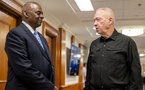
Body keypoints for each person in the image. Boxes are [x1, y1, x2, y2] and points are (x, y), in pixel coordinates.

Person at [84, 7, 142, 90]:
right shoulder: (94, 44)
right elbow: (89, 70)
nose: (95, 23)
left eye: (98, 19)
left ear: (110, 21)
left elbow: (135, 71)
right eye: (94, 20)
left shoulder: (127, 42)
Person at [5, 1, 58, 90]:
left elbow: (48, 65)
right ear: (26, 14)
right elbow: (23, 68)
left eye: (42, 14)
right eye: (38, 13)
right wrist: (49, 86)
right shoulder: (15, 34)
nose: (42, 16)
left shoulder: (42, 38)